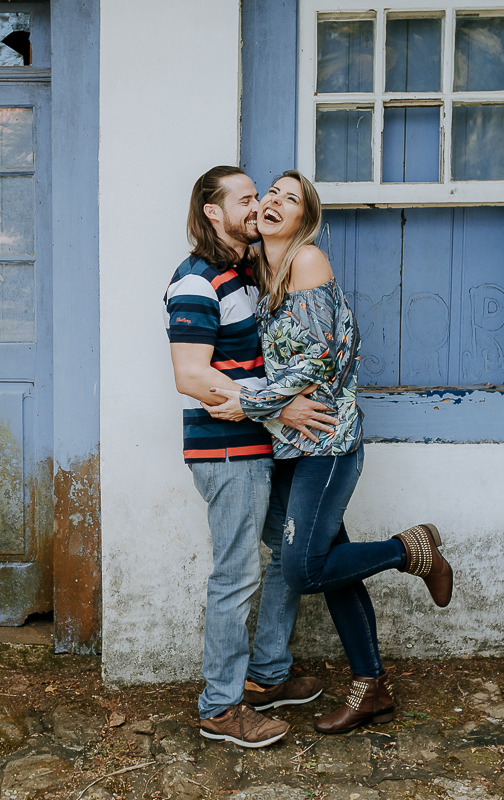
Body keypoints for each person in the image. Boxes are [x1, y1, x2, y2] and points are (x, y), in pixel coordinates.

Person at [207, 171, 454, 735]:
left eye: (289, 198)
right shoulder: (262, 270)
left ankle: (410, 549)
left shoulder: (307, 260)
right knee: (334, 569)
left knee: (304, 568)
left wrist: (248, 403)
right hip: (289, 446)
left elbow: (316, 360)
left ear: (304, 219)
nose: (273, 201)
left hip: (327, 442)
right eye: (270, 193)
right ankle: (372, 688)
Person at [164, 166, 339, 748]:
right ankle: (220, 706)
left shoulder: (245, 272)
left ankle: (267, 676)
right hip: (227, 452)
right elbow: (191, 375)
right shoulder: (196, 281)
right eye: (245, 199)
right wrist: (278, 408)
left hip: (263, 447)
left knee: (289, 554)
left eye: (259, 195)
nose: (257, 205)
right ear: (213, 212)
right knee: (235, 576)